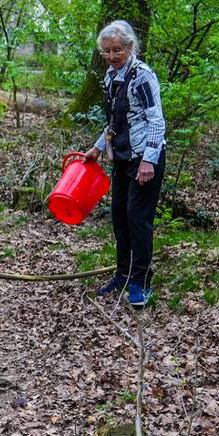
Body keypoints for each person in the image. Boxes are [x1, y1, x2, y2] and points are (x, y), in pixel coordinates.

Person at [83, 19, 166, 308]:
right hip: (120, 156)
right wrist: (97, 148)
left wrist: (148, 161)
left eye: (117, 50)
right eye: (106, 51)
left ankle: (141, 281)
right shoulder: (111, 75)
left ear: (130, 47)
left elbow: (156, 120)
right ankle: (123, 274)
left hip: (145, 158)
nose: (112, 56)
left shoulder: (142, 76)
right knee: (119, 217)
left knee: (137, 218)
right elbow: (115, 120)